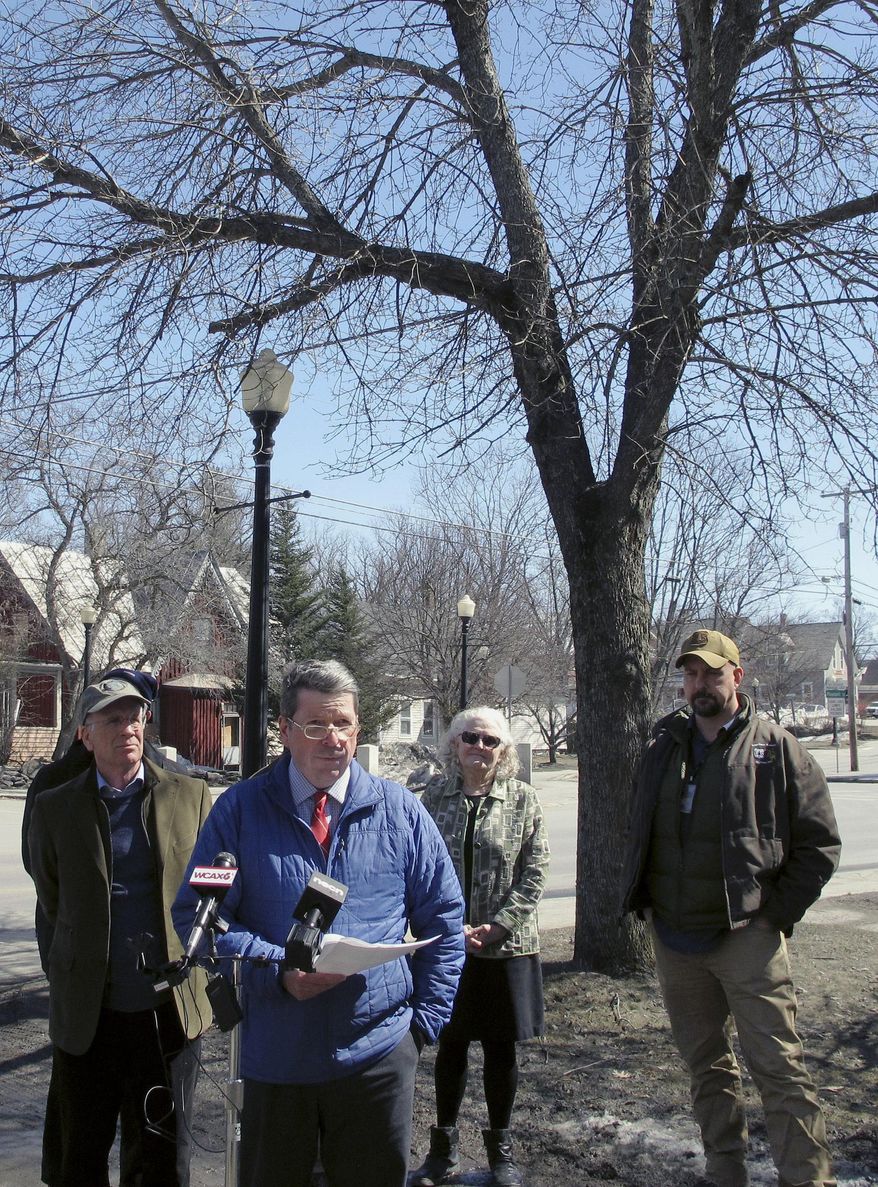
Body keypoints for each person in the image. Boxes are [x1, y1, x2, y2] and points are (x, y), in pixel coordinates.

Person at [172, 659, 465, 1187]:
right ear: (285, 730)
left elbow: (444, 921)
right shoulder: (239, 812)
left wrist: (422, 1028)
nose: (334, 739)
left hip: (378, 1057)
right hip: (278, 1061)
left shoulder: (399, 811)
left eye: (344, 724)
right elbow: (199, 915)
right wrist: (277, 969)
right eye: (317, 725)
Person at [621, 628, 841, 1187]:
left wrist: (774, 915)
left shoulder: (775, 746)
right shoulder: (664, 744)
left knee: (780, 1070)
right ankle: (726, 1173)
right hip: (675, 939)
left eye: (711, 674)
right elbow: (641, 828)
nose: (699, 685)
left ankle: (807, 1178)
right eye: (691, 674)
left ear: (736, 677)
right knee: (708, 1069)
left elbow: (819, 845)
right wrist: (647, 905)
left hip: (748, 936)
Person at [27, 670, 213, 1187]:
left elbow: (210, 892)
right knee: (79, 1158)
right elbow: (51, 897)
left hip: (170, 1016)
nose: (128, 727)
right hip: (90, 1016)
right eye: (112, 718)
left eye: (135, 716)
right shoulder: (55, 807)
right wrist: (68, 967)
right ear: (84, 733)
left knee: (160, 1160)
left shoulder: (190, 796)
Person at [414, 707, 550, 1187]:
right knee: (450, 1046)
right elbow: (421, 865)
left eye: (490, 740)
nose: (479, 746)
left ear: (504, 750)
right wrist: (451, 929)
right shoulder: (433, 796)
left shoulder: (522, 800)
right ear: (454, 744)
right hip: (449, 945)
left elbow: (535, 870)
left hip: (506, 948)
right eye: (470, 737)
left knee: (500, 1050)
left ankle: (501, 1154)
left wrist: (499, 925)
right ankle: (441, 1152)